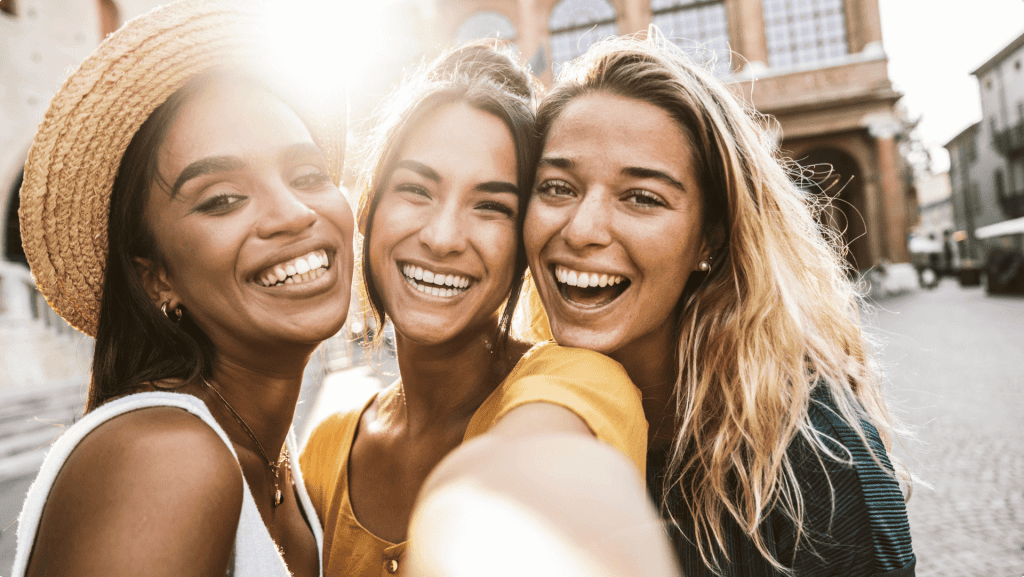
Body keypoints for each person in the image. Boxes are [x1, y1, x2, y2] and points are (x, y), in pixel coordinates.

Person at [522, 34, 917, 576]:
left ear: (709, 238)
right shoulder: (523, 422)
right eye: (557, 187)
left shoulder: (820, 457)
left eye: (642, 197)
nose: (583, 228)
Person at [300, 42, 677, 577]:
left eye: (491, 207)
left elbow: (538, 487)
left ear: (523, 246)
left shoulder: (581, 382)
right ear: (369, 208)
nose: (444, 236)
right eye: (416, 189)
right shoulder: (326, 443)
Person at [12, 1, 351, 575]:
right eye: (222, 199)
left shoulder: (278, 459)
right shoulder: (168, 459)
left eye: (308, 176)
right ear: (156, 277)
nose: (292, 213)